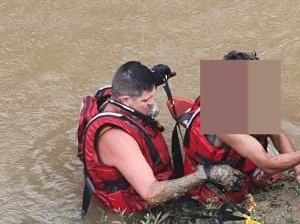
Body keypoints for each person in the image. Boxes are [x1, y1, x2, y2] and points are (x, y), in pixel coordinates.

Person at [78, 61, 241, 214]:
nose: (152, 104)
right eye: (146, 100)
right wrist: (204, 174)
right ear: (125, 100)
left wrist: (154, 77)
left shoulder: (119, 97)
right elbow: (151, 194)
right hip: (136, 207)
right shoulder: (116, 139)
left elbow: (135, 84)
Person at [178, 51, 300, 204]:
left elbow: (277, 135)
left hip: (240, 167)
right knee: (271, 169)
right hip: (213, 187)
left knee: (273, 171)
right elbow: (267, 163)